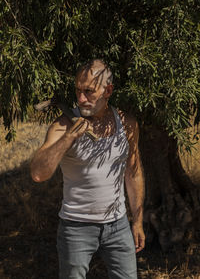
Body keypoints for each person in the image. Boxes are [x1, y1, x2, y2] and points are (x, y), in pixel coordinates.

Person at [30, 59, 145, 279]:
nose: (81, 98)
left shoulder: (126, 123)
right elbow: (38, 173)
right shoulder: (62, 126)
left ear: (108, 90)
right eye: (78, 90)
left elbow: (133, 172)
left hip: (118, 225)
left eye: (89, 91)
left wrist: (138, 221)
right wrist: (69, 137)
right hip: (76, 228)